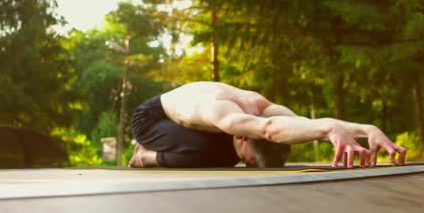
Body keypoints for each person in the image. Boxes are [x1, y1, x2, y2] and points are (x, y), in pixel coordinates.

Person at [128, 81, 406, 168]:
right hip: (152, 119)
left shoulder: (267, 110)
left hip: (190, 123)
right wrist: (331, 130)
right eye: (250, 161)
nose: (248, 165)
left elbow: (308, 125)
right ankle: (144, 156)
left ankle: (157, 151)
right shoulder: (221, 113)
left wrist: (367, 130)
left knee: (223, 155)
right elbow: (270, 130)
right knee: (214, 155)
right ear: (242, 137)